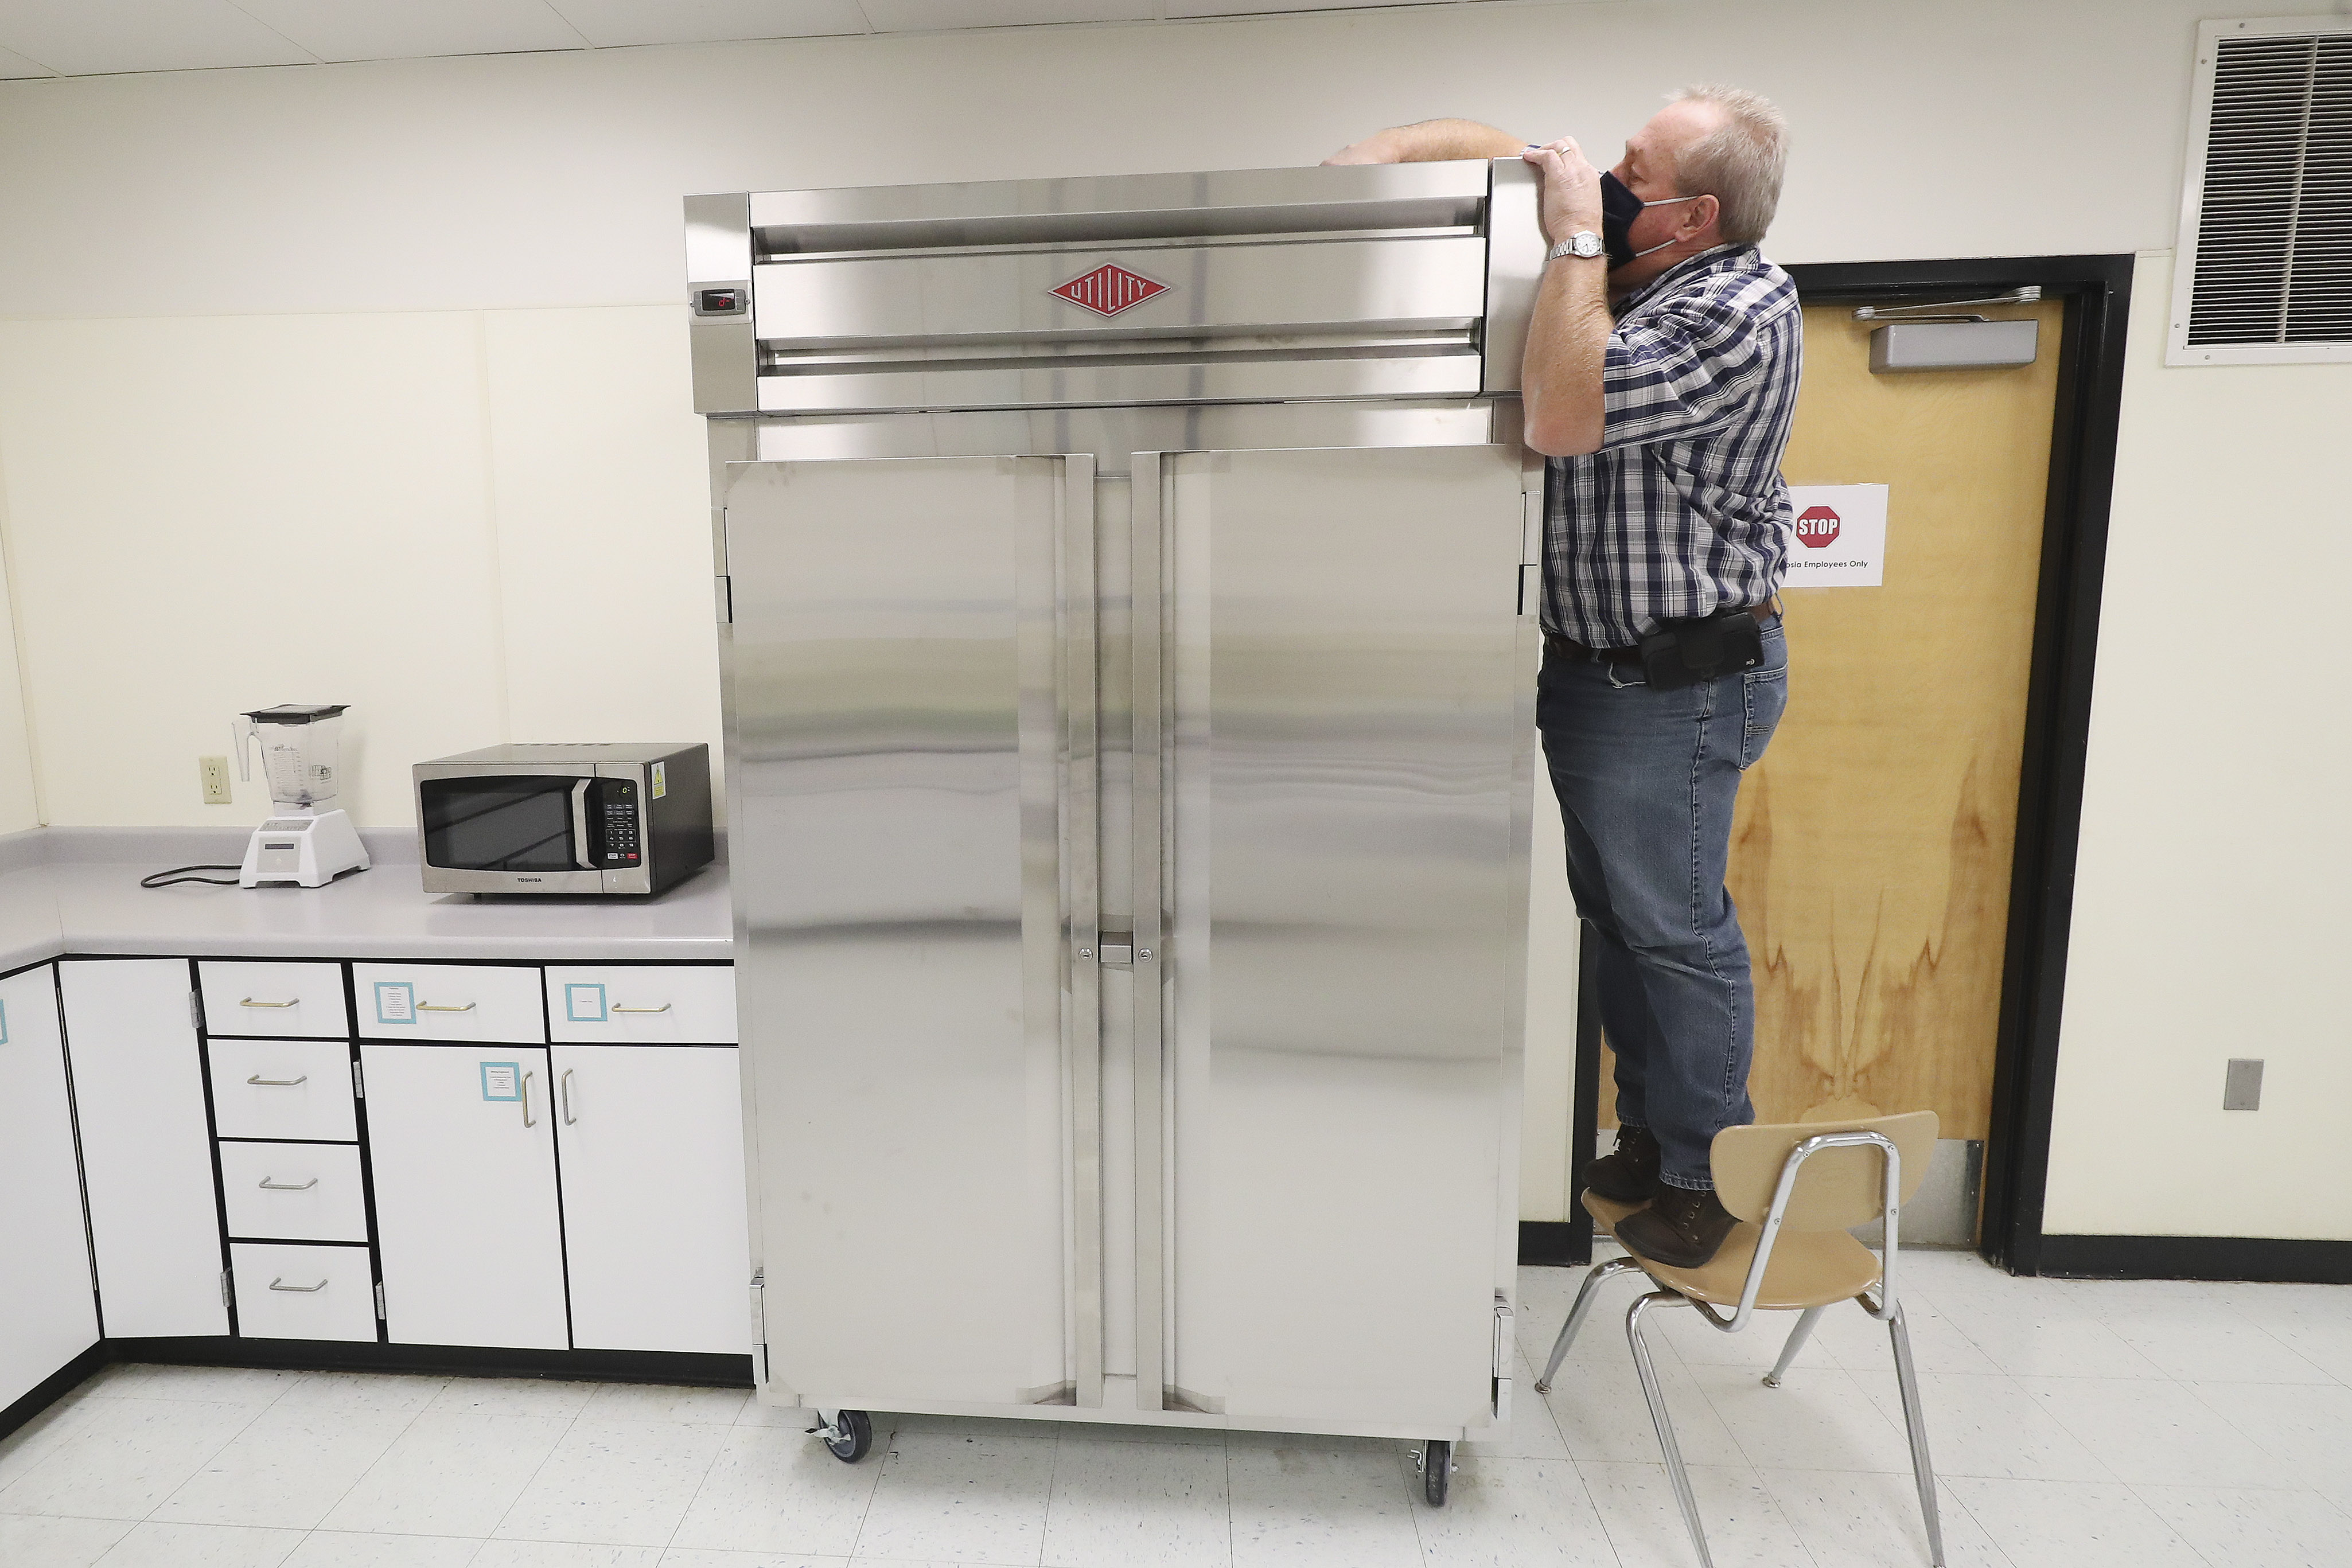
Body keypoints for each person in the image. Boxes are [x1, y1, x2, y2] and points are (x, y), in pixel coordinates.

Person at [1326, 87, 1799, 1267]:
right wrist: (1371, 157)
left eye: (1636, 168)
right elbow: (1507, 149)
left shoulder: (1739, 305)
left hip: (1677, 680)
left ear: (1689, 217)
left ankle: (1706, 1171)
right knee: (1624, 923)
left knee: (1676, 931)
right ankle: (1648, 1140)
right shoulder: (1642, 278)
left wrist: (1576, 239)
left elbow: (1558, 412)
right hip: (1598, 675)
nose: (1607, 177)